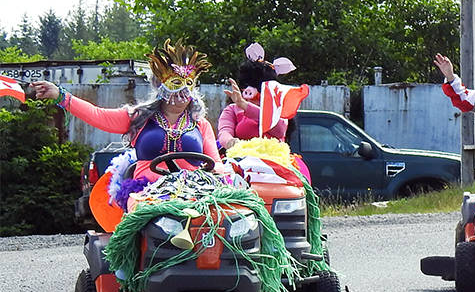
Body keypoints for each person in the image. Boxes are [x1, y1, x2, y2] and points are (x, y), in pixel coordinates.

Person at [30, 39, 220, 187]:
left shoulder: (200, 124)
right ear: (160, 86)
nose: (183, 91)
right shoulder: (139, 117)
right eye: (176, 84)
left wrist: (230, 175)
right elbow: (97, 115)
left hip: (194, 192)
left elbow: (216, 163)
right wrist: (60, 95)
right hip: (147, 193)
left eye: (189, 84)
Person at [217, 42, 297, 149]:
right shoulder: (232, 110)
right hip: (241, 158)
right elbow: (224, 132)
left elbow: (280, 130)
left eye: (257, 85)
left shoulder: (277, 108)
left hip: (275, 160)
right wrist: (231, 142)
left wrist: (245, 106)